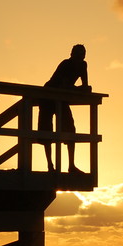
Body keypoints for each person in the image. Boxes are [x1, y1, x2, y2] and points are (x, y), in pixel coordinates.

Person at [39, 44, 90, 172]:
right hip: (48, 95)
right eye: (78, 54)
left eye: (82, 54)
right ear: (71, 54)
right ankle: (50, 165)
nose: (80, 56)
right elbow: (63, 85)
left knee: (70, 129)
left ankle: (71, 165)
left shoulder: (83, 65)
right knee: (46, 130)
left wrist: (84, 88)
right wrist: (79, 89)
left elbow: (85, 86)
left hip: (62, 98)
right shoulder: (66, 64)